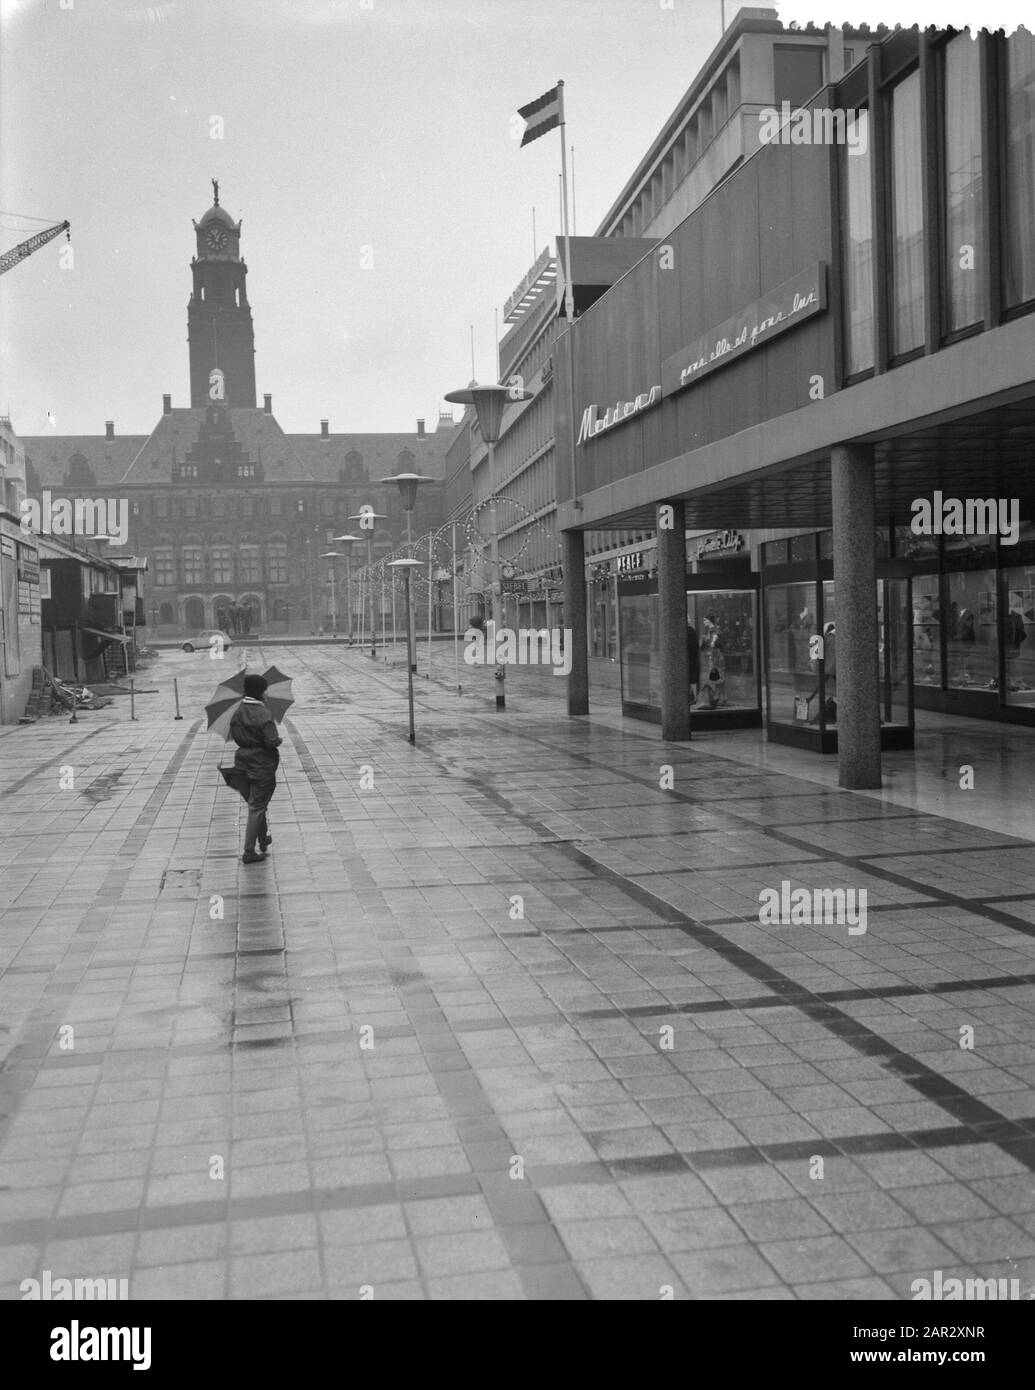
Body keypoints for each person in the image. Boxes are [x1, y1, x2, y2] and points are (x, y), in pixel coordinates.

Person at [229, 674, 281, 864]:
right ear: (260, 691)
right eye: (265, 689)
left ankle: (263, 838)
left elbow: (235, 734)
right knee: (257, 806)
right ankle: (249, 851)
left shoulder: (238, 712)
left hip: (243, 764)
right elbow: (271, 740)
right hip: (261, 765)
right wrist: (278, 740)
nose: (267, 692)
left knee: (256, 803)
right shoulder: (264, 715)